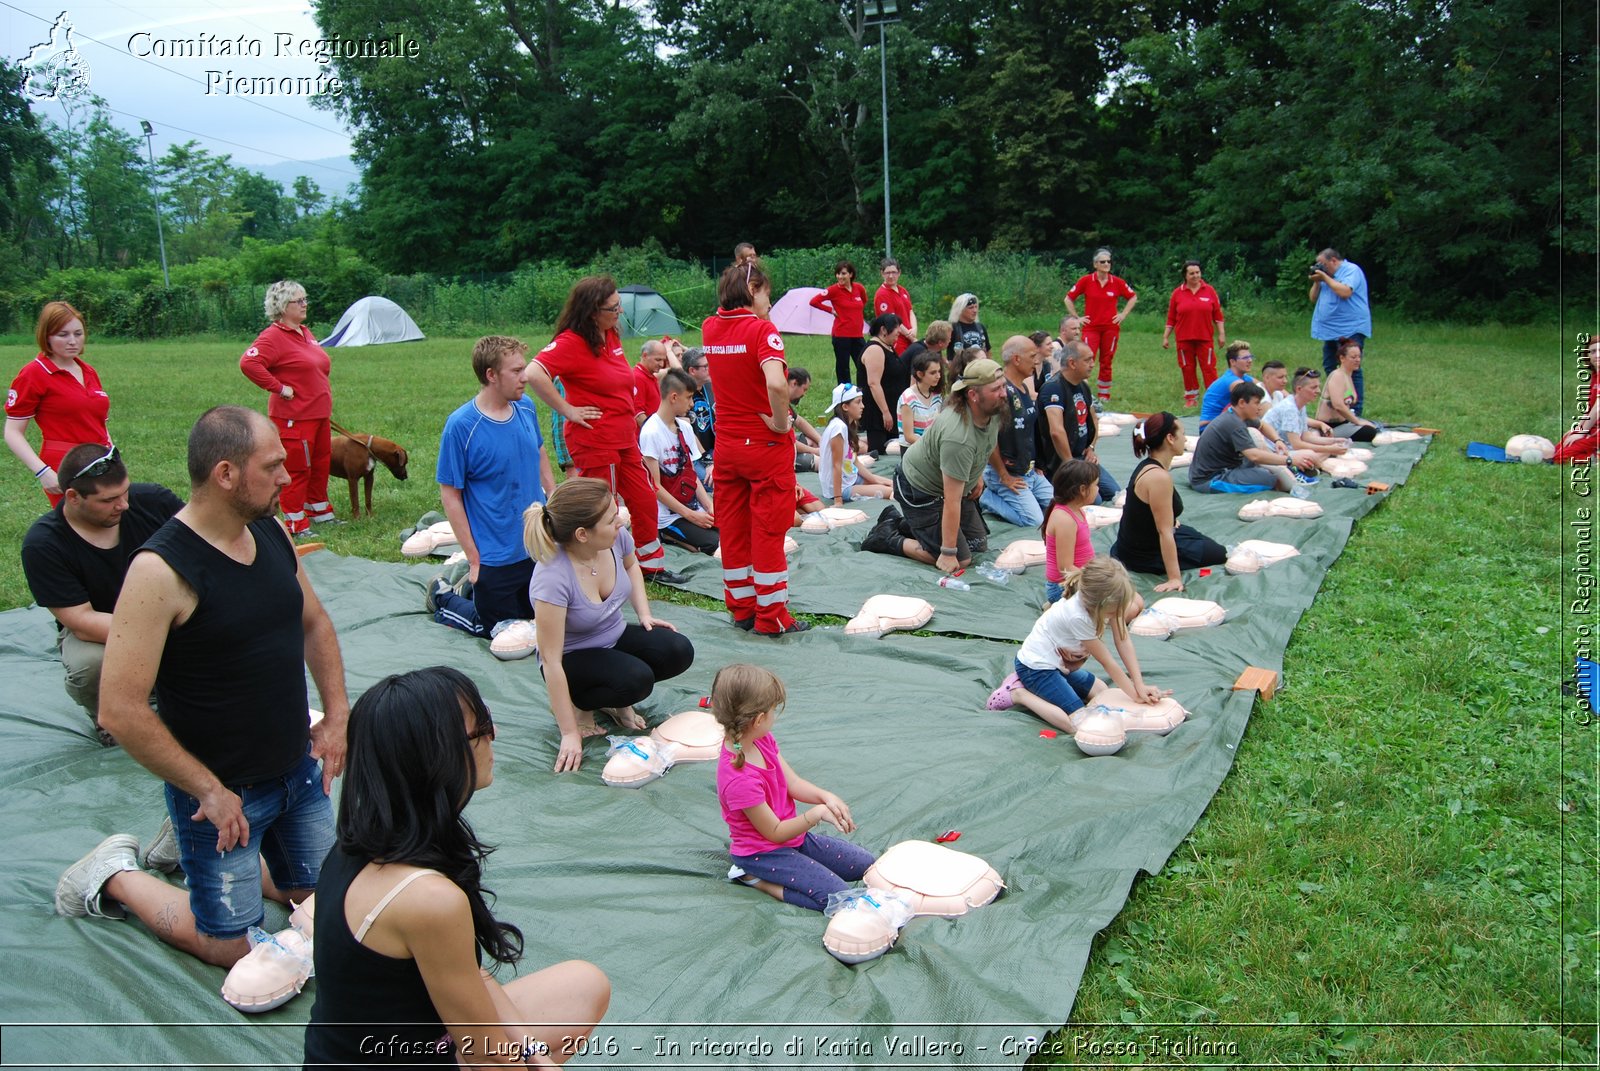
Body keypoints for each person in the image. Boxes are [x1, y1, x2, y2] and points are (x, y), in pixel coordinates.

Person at [56, 405, 351, 976]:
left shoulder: (268, 528)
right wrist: (207, 792)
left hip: (296, 768)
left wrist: (337, 714)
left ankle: (195, 857)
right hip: (221, 793)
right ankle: (117, 876)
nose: (288, 478)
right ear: (225, 474)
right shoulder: (160, 572)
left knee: (325, 908)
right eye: (273, 466)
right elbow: (119, 709)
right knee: (232, 946)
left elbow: (312, 621)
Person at [303, 666, 610, 1068]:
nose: (493, 735)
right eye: (481, 727)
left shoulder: (362, 844)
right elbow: (487, 1059)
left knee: (584, 984)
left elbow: (472, 976)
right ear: (434, 757)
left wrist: (537, 1058)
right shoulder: (427, 898)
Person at [526, 479, 695, 774]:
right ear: (582, 534)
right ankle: (581, 705)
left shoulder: (615, 538)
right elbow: (551, 660)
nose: (620, 520)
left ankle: (614, 699)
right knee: (636, 680)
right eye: (610, 518)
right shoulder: (552, 578)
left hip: (611, 638)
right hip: (571, 660)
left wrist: (644, 614)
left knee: (677, 649)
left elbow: (631, 566)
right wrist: (569, 733)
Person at [21, 443, 182, 745]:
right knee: (90, 665)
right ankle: (112, 715)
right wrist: (160, 632)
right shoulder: (44, 544)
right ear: (73, 497)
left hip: (174, 609)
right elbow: (81, 620)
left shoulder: (154, 502)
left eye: (125, 492)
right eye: (108, 500)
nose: (124, 505)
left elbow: (206, 545)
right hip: (104, 632)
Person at [526, 276, 681, 584]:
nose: (619, 312)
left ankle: (650, 565)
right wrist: (567, 409)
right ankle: (595, 567)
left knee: (644, 496)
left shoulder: (608, 335)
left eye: (618, 305)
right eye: (613, 307)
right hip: (596, 439)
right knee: (601, 508)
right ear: (592, 310)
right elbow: (534, 372)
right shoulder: (572, 341)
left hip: (624, 437)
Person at [711, 663, 873, 911]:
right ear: (758, 719)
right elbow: (774, 832)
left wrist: (824, 796)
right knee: (839, 898)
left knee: (867, 865)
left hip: (793, 839)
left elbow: (794, 783)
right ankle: (752, 879)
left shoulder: (761, 739)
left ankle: (789, 867)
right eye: (773, 710)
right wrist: (816, 814)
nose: (775, 716)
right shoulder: (739, 779)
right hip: (763, 854)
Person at [702, 259, 808, 635]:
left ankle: (742, 608)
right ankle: (772, 616)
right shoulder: (763, 330)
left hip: (727, 445)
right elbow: (778, 385)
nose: (770, 300)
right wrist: (782, 423)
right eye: (767, 292)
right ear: (752, 290)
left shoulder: (711, 327)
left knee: (732, 529)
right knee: (768, 531)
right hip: (764, 446)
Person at [434, 336, 556, 639]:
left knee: (541, 624)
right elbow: (450, 495)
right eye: (515, 371)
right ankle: (443, 597)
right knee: (499, 633)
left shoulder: (525, 407)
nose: (525, 377)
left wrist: (552, 495)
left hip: (535, 549)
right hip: (494, 557)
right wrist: (474, 559)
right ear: (491, 375)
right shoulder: (461, 426)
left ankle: (471, 591)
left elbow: (539, 450)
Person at [860, 358, 1009, 571]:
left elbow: (985, 443)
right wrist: (947, 553)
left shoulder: (992, 410)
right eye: (996, 389)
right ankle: (887, 538)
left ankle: (904, 523)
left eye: (1003, 386)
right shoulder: (958, 436)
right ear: (973, 395)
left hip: (946, 485)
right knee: (960, 560)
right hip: (919, 489)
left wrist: (977, 475)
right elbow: (951, 500)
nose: (1004, 393)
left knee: (977, 546)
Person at [1005, 558, 1168, 733]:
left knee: (1102, 691)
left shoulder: (1107, 600)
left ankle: (1050, 685)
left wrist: (1139, 684)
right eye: (1113, 611)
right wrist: (1136, 695)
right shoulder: (1078, 616)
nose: (1118, 614)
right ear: (1098, 604)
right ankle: (1018, 694)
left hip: (1061, 666)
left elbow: (1123, 640)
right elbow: (1107, 661)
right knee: (1080, 723)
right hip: (1036, 669)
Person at [239, 280, 336, 536]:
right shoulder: (273, 337)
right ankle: (295, 522)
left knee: (319, 464)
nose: (305, 305)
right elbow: (249, 364)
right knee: (296, 467)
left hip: (318, 414)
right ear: (282, 306)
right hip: (295, 417)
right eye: (299, 301)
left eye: (305, 299)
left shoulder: (304, 332)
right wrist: (279, 388)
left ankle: (319, 511)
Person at [7, 301, 111, 506]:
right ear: (46, 336)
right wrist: (43, 472)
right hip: (66, 463)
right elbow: (12, 432)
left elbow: (100, 424)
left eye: (78, 334)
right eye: (63, 335)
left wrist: (112, 456)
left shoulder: (88, 371)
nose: (72, 341)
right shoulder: (34, 373)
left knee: (111, 522)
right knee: (80, 527)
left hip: (100, 460)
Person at [1111, 413, 1226, 590]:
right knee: (1219, 554)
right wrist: (1174, 578)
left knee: (1197, 538)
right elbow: (1165, 532)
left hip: (1133, 543)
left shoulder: (1151, 466)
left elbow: (1145, 513)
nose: (1186, 439)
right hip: (1143, 554)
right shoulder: (1158, 477)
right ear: (1170, 438)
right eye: (1183, 434)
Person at [641, 369, 719, 556]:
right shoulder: (651, 432)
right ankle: (668, 535)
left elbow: (691, 475)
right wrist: (691, 516)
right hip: (669, 517)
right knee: (716, 545)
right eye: (689, 398)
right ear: (674, 397)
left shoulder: (684, 427)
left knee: (734, 533)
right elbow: (655, 486)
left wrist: (709, 506)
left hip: (691, 504)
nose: (692, 404)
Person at [979, 336, 1054, 527]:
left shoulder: (1024, 389)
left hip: (1029, 472)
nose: (1037, 361)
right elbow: (990, 439)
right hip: (1007, 474)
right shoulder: (1002, 393)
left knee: (1060, 508)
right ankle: (987, 498)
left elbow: (1029, 430)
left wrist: (1038, 464)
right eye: (1032, 356)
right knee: (1035, 521)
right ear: (1017, 359)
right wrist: (1004, 476)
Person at [1190, 381, 1312, 493]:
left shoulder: (1238, 415)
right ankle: (1287, 476)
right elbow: (1254, 456)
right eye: (1257, 403)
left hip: (1230, 466)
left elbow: (1263, 425)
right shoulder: (1233, 423)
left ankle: (1289, 473)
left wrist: (1278, 440)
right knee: (1271, 480)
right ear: (1242, 403)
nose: (1259, 407)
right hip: (1210, 479)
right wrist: (1289, 460)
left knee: (1265, 465)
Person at [1038, 338, 1119, 503]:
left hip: (1082, 458)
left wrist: (1091, 447)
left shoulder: (1083, 387)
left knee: (1114, 493)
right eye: (1087, 360)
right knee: (1093, 500)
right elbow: (1056, 431)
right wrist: (1070, 465)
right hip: (1059, 462)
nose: (1092, 364)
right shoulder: (1053, 388)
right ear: (1072, 363)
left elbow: (1093, 420)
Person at [1064, 248, 1139, 402]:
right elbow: (1068, 298)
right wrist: (1077, 318)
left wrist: (1123, 314)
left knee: (1107, 359)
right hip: (1091, 328)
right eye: (1102, 262)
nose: (1106, 264)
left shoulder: (1117, 282)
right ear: (1095, 264)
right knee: (1085, 357)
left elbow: (1132, 297)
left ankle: (1104, 393)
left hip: (1110, 328)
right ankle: (1083, 389)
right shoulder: (1086, 281)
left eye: (1108, 261)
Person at [1309, 247, 1372, 412]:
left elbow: (1345, 292)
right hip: (1330, 331)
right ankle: (1336, 404)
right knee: (1330, 366)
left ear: (1333, 261)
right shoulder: (1326, 276)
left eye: (1322, 264)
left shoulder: (1352, 271)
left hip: (1350, 329)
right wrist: (1318, 280)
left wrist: (1325, 277)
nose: (1320, 267)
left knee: (1352, 367)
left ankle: (1355, 410)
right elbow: (1313, 298)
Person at [1161, 261, 1227, 408]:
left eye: (1197, 272)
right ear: (1185, 275)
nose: (1195, 275)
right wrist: (1166, 336)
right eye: (1191, 273)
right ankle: (1191, 397)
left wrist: (1221, 334)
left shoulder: (1209, 291)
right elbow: (1171, 318)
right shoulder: (1177, 293)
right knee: (1187, 368)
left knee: (1209, 368)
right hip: (1184, 339)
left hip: (1205, 338)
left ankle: (1213, 397)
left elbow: (1217, 315)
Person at [819, 384, 894, 506]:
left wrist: (876, 480)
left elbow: (853, 461)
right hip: (840, 488)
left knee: (894, 484)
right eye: (858, 402)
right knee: (890, 492)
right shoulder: (838, 428)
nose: (862, 406)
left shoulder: (846, 426)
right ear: (845, 406)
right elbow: (836, 465)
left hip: (850, 478)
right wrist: (838, 499)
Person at [1264, 367, 1355, 467]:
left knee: (1319, 444)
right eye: (1313, 387)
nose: (1318, 391)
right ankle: (1311, 465)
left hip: (1288, 447)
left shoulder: (1300, 405)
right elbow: (1297, 445)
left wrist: (1334, 441)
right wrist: (1329, 448)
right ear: (1299, 389)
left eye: (1318, 387)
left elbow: (1306, 436)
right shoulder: (1289, 408)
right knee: (1311, 455)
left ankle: (1316, 462)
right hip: (1273, 451)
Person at [1042, 459, 1100, 606]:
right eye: (1096, 485)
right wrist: (1096, 580)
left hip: (1080, 579)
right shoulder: (1064, 519)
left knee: (1133, 600)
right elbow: (1065, 568)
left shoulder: (1077, 510)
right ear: (1082, 489)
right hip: (1065, 587)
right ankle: (1056, 606)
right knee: (1126, 607)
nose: (1098, 489)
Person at [810, 260, 869, 386]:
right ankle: (845, 394)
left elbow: (864, 301)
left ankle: (863, 390)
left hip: (858, 335)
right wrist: (831, 310)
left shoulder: (859, 288)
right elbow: (814, 301)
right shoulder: (833, 290)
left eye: (843, 273)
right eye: (838, 274)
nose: (840, 277)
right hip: (841, 334)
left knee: (863, 364)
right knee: (843, 367)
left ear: (851, 274)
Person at [859, 313, 909, 457]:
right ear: (883, 330)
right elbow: (873, 383)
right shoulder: (875, 349)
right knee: (879, 451)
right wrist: (885, 412)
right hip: (877, 411)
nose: (898, 336)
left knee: (890, 446)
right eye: (896, 333)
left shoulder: (887, 346)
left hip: (890, 407)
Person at [1316, 339, 1379, 441]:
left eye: (1359, 357)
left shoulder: (1348, 375)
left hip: (1344, 423)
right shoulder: (1337, 376)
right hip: (1330, 427)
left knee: (1375, 426)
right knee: (1370, 431)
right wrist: (1357, 421)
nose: (1357, 360)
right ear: (1342, 358)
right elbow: (1338, 405)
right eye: (1353, 357)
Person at [1554, 337, 1600, 463]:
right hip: (1594, 427)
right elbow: (1590, 408)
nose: (1597, 355)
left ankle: (1596, 458)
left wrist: (1582, 432)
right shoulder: (1595, 376)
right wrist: (1578, 428)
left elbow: (1598, 407)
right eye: (1593, 351)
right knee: (1557, 450)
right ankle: (1592, 452)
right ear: (1588, 356)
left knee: (1560, 457)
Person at [1198, 341, 1257, 428]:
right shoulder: (1231, 381)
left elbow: (1264, 387)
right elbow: (1255, 396)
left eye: (1250, 357)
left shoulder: (1244, 378)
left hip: (1226, 425)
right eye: (1245, 358)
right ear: (1233, 362)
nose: (1250, 360)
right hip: (1211, 428)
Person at [896, 350, 944, 449]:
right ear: (920, 374)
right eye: (933, 373)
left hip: (931, 446)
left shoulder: (936, 395)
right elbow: (909, 437)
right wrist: (932, 445)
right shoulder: (908, 398)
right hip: (913, 450)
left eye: (939, 371)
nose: (938, 376)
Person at [682, 347, 716, 483]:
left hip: (715, 450)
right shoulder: (682, 393)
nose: (710, 369)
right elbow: (688, 432)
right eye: (705, 366)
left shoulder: (709, 387)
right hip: (694, 457)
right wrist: (709, 462)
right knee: (716, 483)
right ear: (692, 371)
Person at [874, 259, 917, 354]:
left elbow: (910, 311)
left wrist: (914, 329)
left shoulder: (903, 290)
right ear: (882, 273)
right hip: (896, 339)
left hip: (909, 337)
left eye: (894, 272)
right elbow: (893, 321)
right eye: (887, 273)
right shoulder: (882, 294)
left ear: (899, 273)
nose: (891, 276)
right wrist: (911, 337)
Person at [786, 367, 825, 473]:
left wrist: (821, 440)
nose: (804, 394)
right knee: (823, 462)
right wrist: (814, 451)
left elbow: (799, 421)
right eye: (804, 389)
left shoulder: (783, 400)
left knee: (813, 441)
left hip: (787, 446)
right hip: (778, 454)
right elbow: (788, 441)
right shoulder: (776, 403)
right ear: (794, 383)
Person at [631, 339, 670, 427]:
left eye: (663, 360)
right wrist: (654, 432)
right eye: (658, 360)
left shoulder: (649, 375)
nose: (661, 364)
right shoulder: (638, 378)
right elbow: (638, 414)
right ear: (645, 356)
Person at [947, 294, 991, 366]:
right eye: (970, 308)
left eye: (976, 307)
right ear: (960, 310)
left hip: (981, 370)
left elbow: (988, 351)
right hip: (961, 373)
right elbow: (938, 348)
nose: (975, 310)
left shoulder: (981, 328)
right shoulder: (952, 329)